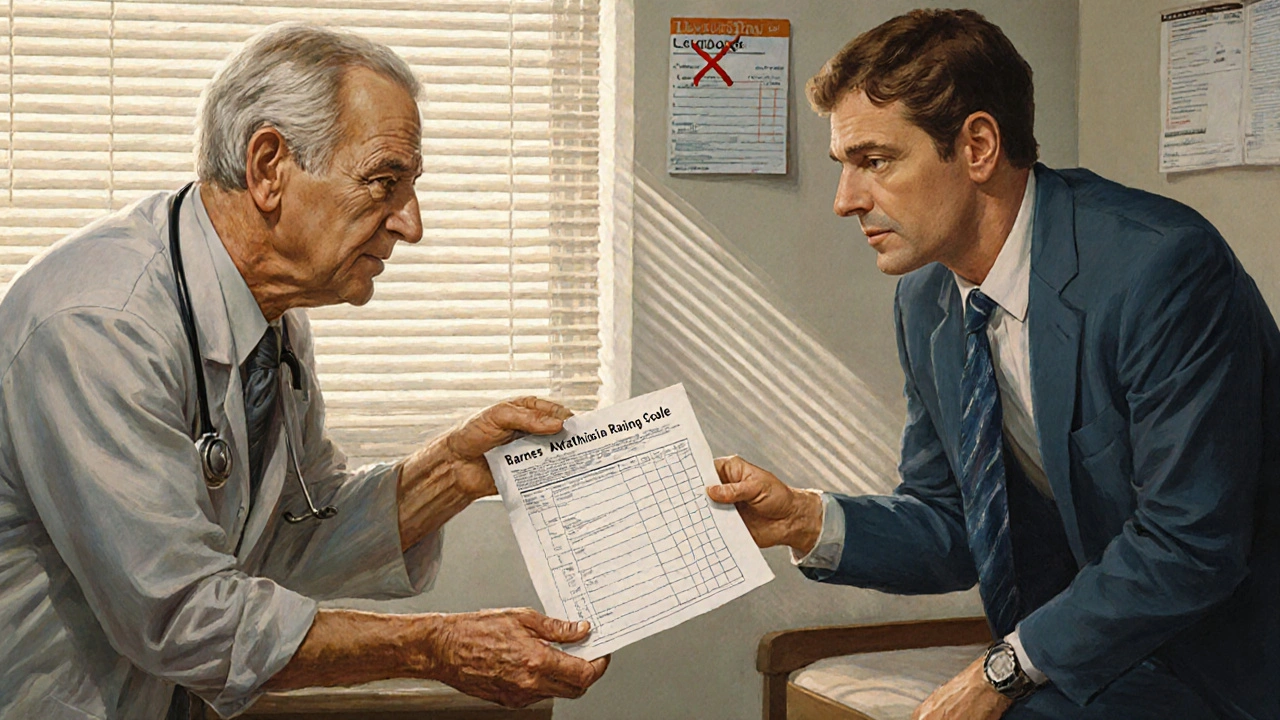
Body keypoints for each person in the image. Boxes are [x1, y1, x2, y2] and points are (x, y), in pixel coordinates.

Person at [0, 23, 608, 719]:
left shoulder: (272, 317)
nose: (411, 223)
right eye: (384, 181)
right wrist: (435, 647)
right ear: (268, 167)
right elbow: (181, 616)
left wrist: (452, 472)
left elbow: (291, 531)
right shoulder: (97, 323)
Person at [709, 9, 1279, 720]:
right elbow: (955, 527)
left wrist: (1002, 668)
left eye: (875, 161)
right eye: (844, 166)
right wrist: (802, 519)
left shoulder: (1159, 269)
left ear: (977, 146)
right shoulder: (927, 301)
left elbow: (1190, 543)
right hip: (1104, 648)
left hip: (1229, 658)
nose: (845, 201)